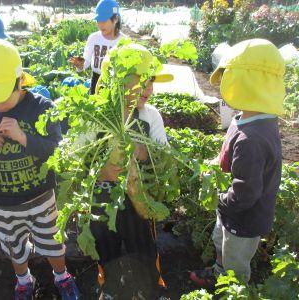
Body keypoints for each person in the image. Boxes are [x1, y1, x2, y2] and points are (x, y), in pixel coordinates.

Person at [0, 38, 80, 300]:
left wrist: (23, 137)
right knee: (13, 246)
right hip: (3, 203)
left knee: (52, 242)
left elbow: (56, 149)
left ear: (18, 82)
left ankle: (62, 277)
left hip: (40, 197)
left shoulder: (41, 108)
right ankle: (24, 281)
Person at [190, 39, 285, 285]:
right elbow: (228, 154)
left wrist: (219, 201)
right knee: (220, 242)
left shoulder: (251, 140)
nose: (221, 85)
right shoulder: (246, 118)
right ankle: (219, 271)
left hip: (244, 218)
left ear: (245, 82)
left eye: (226, 78)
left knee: (236, 261)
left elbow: (245, 194)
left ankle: (232, 287)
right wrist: (214, 164)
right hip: (232, 212)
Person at [88, 43, 174, 299]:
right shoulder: (95, 116)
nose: (150, 89)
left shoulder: (150, 117)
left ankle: (149, 287)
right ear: (119, 82)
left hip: (139, 199)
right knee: (106, 246)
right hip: (103, 199)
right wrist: (100, 172)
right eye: (143, 82)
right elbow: (77, 160)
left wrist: (143, 152)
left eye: (152, 82)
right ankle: (111, 287)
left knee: (144, 248)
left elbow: (164, 157)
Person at [69, 0, 125, 95]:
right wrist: (80, 65)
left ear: (115, 19)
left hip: (116, 84)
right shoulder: (94, 38)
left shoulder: (123, 41)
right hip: (96, 79)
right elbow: (86, 61)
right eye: (98, 21)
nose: (100, 24)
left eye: (104, 21)